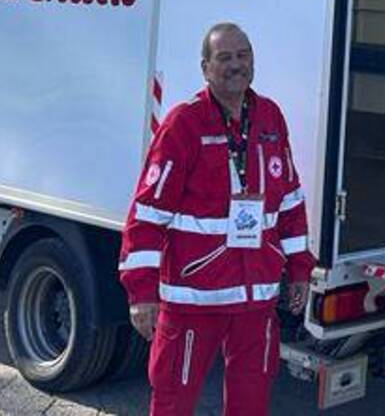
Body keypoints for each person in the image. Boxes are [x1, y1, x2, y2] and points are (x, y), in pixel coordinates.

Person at [120, 22, 314, 416]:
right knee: (173, 399)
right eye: (224, 58)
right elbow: (147, 215)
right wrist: (141, 294)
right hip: (194, 299)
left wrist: (299, 270)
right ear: (205, 68)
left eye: (243, 56)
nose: (235, 65)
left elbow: (290, 202)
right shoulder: (184, 124)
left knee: (251, 401)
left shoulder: (270, 118)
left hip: (256, 298)